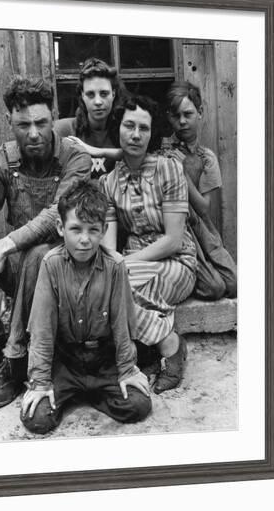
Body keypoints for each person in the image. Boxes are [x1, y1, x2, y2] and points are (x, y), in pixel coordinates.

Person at [0, 76, 92, 412]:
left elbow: (57, 216)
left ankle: (14, 364)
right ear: (10, 121)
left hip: (67, 273)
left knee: (41, 253)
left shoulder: (75, 160)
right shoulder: (0, 160)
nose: (34, 133)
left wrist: (2, 246)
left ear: (53, 117)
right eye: (23, 125)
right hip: (20, 267)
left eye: (41, 123)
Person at [20, 181, 151, 434]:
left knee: (137, 405)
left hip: (104, 360)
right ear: (60, 228)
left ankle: (90, 392)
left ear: (103, 230)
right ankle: (76, 390)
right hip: (66, 360)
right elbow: (42, 330)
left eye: (93, 230)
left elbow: (121, 324)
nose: (84, 240)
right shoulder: (51, 264)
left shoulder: (115, 266)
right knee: (37, 419)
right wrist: (39, 382)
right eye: (75, 229)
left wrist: (126, 371)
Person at [100, 95, 197, 394]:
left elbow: (173, 239)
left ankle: (168, 350)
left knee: (130, 291)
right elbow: (108, 245)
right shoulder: (108, 183)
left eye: (143, 128)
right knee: (107, 287)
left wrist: (123, 265)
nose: (136, 134)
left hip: (176, 261)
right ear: (118, 128)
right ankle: (165, 340)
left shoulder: (168, 169)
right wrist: (116, 263)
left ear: (151, 133)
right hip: (130, 259)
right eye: (129, 126)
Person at [162, 81, 237, 299]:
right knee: (215, 288)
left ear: (200, 113)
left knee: (233, 285)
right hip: (176, 226)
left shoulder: (207, 158)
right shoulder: (162, 149)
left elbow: (204, 208)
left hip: (201, 227)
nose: (182, 121)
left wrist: (182, 174)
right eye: (176, 116)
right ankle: (188, 277)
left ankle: (205, 269)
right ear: (169, 117)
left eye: (188, 114)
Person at [54, 57, 125, 178]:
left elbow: (142, 156)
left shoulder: (124, 129)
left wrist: (95, 151)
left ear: (113, 94)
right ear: (82, 96)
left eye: (104, 94)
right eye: (90, 94)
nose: (98, 101)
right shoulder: (65, 130)